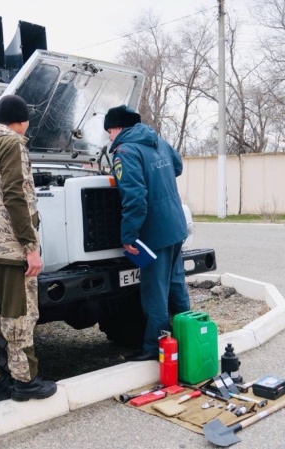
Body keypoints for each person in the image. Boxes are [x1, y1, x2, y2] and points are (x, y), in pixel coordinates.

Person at [0, 94, 57, 406]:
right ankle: (25, 383)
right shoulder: (13, 143)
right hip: (8, 249)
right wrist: (30, 247)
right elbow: (16, 196)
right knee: (19, 316)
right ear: (20, 121)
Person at [104, 105, 191, 362]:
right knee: (176, 285)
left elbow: (135, 198)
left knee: (154, 291)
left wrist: (128, 236)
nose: (109, 137)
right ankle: (186, 336)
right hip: (176, 226)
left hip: (155, 233)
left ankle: (155, 346)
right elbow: (177, 167)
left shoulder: (126, 151)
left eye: (109, 131)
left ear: (118, 127)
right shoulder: (158, 141)